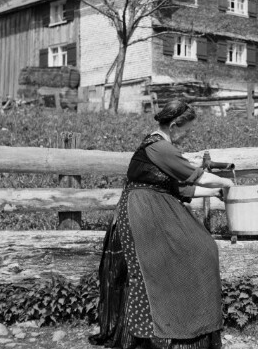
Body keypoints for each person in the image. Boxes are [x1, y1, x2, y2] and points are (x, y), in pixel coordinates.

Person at [89, 99, 234, 349]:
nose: (187, 136)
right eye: (187, 130)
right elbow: (198, 176)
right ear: (175, 125)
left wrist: (213, 194)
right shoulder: (160, 148)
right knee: (153, 268)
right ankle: (154, 331)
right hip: (142, 214)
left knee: (203, 248)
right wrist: (227, 183)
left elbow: (178, 187)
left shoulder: (160, 148)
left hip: (156, 209)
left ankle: (186, 320)